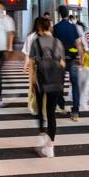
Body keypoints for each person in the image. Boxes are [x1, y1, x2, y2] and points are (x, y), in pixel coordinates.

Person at [29, 17, 65, 157]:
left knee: (39, 109)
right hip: (55, 81)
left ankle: (41, 135)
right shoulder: (58, 42)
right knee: (51, 112)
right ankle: (50, 147)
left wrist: (31, 82)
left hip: (41, 81)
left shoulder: (36, 42)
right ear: (50, 27)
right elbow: (62, 64)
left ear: (39, 28)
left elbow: (32, 64)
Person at [52, 5, 82, 121]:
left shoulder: (56, 28)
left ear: (59, 14)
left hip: (60, 60)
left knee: (60, 84)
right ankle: (75, 112)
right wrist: (80, 56)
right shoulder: (73, 27)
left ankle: (61, 106)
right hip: (73, 59)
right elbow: (78, 43)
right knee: (75, 85)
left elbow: (54, 45)